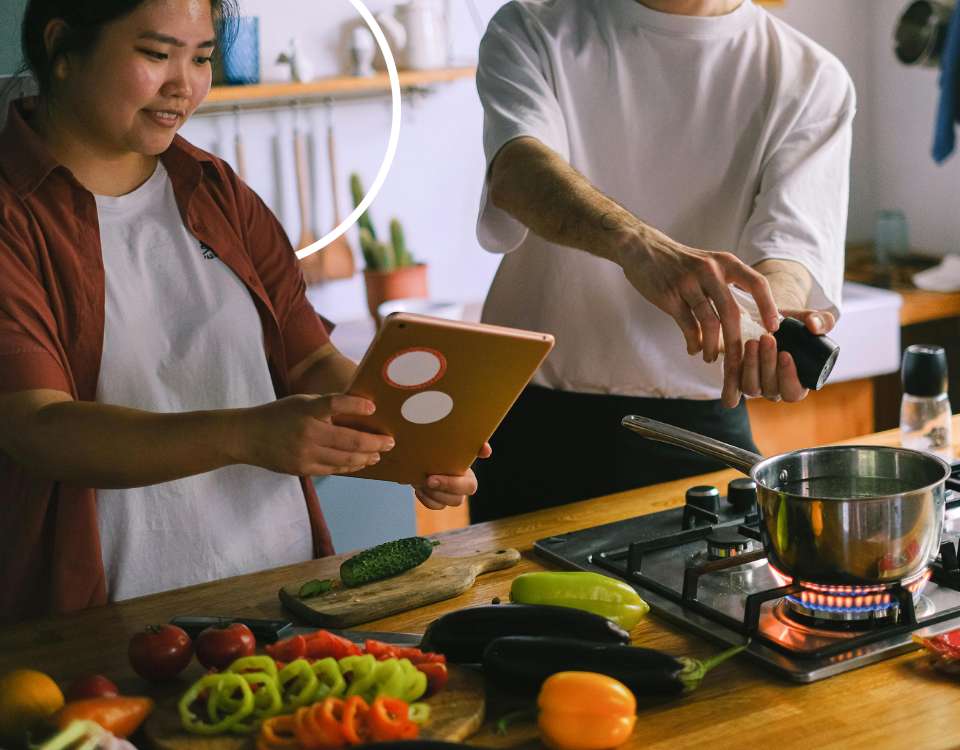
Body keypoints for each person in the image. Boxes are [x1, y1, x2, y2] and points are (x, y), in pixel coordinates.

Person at [0, 0, 486, 623]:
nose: (185, 84)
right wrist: (248, 434)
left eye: (201, 57)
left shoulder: (216, 189)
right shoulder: (13, 214)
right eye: (156, 54)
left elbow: (309, 358)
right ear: (62, 47)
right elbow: (37, 428)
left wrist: (420, 444)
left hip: (279, 589)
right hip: (108, 613)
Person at [471, 0, 855, 522]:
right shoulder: (534, 25)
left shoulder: (810, 76)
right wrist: (639, 247)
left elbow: (790, 247)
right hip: (532, 418)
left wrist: (771, 323)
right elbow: (517, 172)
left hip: (699, 428)